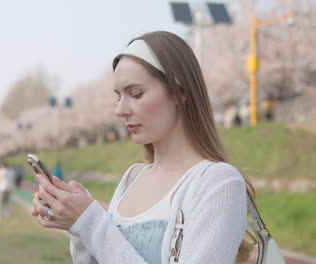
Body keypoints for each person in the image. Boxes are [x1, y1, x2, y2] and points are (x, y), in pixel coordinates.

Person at [31, 31, 257, 263]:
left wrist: (89, 220)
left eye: (136, 94)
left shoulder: (218, 183)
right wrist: (76, 223)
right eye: (119, 96)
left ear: (180, 92)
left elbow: (101, 235)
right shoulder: (132, 177)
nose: (120, 110)